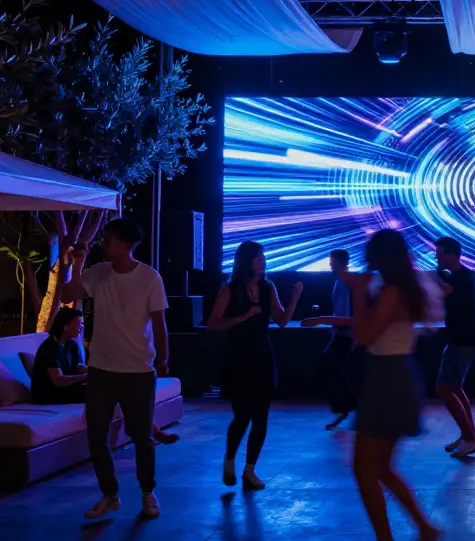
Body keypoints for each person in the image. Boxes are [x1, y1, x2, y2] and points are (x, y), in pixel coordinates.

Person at [347, 229, 445, 541]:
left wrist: (356, 294)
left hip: (387, 380)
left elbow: (364, 336)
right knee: (381, 467)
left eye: (370, 254)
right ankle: (423, 529)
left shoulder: (390, 291)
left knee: (364, 468)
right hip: (393, 375)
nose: (366, 260)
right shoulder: (403, 288)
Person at [61, 219, 169, 521]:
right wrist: (78, 263)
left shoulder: (149, 278)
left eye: (108, 240)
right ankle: (110, 495)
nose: (103, 245)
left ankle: (148, 492)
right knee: (96, 436)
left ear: (124, 244)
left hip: (137, 369)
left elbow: (159, 322)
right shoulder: (99, 274)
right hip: (101, 370)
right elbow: (66, 295)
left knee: (142, 437)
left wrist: (163, 358)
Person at [208, 241, 302, 490]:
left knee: (261, 415)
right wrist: (242, 317)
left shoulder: (267, 287)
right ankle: (229, 460)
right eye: (258, 258)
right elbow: (213, 323)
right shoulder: (229, 290)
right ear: (246, 260)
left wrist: (295, 298)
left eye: (263, 258)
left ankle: (250, 469)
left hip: (261, 355)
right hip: (238, 357)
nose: (263, 261)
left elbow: (281, 320)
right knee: (242, 415)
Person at [31, 308, 180, 444]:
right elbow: (58, 381)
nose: (81, 327)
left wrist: (100, 371)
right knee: (113, 393)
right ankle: (151, 432)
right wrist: (88, 377)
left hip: (70, 388)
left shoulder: (71, 345)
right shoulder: (50, 348)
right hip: (50, 394)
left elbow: (79, 369)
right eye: (78, 323)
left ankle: (152, 431)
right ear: (65, 325)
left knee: (122, 389)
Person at [434, 236, 475, 458]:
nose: (436, 256)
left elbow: (444, 292)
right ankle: (468, 435)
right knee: (454, 388)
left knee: (443, 388)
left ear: (451, 254)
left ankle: (471, 437)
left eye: (440, 252)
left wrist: (430, 279)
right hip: (460, 340)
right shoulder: (460, 277)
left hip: (462, 341)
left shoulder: (460, 278)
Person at [301, 249, 360, 430]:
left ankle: (349, 406)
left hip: (346, 333)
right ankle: (349, 406)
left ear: (338, 261)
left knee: (327, 368)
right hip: (344, 332)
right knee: (331, 369)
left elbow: (346, 313)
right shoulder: (342, 280)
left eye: (331, 260)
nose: (329, 263)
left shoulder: (345, 281)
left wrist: (323, 322)